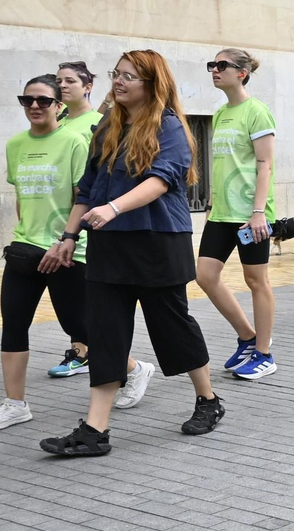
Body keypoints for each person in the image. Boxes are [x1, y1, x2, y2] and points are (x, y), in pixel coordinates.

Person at [39, 50, 223, 455]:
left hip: (158, 241)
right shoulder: (107, 126)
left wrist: (115, 206)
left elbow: (161, 180)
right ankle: (94, 431)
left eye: (129, 77)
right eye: (116, 75)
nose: (118, 82)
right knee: (106, 335)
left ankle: (208, 400)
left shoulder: (170, 127)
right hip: (109, 243)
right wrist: (69, 236)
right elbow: (86, 189)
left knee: (171, 327)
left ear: (151, 84)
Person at [0, 77, 107, 430]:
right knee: (14, 324)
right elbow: (23, 197)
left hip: (67, 250)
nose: (35, 106)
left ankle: (133, 368)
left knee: (79, 327)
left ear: (58, 105)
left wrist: (63, 241)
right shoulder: (16, 145)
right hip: (26, 250)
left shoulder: (74, 142)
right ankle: (15, 404)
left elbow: (83, 200)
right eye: (27, 100)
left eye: (43, 100)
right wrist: (26, 237)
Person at [197, 49, 278, 380]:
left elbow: (265, 164)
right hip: (222, 212)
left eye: (221, 66)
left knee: (256, 280)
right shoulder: (219, 114)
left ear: (241, 73)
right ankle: (248, 337)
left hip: (250, 213)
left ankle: (264, 353)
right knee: (204, 275)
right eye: (211, 66)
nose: (214, 71)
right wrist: (213, 203)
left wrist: (258, 212)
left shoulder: (257, 112)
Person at [56, 61, 103, 142]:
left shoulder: (101, 122)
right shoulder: (57, 121)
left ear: (87, 88)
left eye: (70, 81)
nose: (62, 85)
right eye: (58, 82)